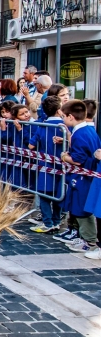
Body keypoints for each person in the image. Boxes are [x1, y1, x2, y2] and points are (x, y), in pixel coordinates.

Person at [60, 100, 101, 254]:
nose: (63, 119)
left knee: (80, 208)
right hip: (88, 174)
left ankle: (89, 240)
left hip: (83, 175)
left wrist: (64, 156)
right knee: (81, 207)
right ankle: (85, 238)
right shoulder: (89, 130)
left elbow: (78, 159)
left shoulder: (80, 134)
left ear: (71, 117)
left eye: (64, 116)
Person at [28, 97, 65, 234]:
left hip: (45, 165)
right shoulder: (65, 126)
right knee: (58, 194)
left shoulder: (42, 126)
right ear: (59, 109)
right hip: (62, 165)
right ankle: (56, 221)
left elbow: (31, 145)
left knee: (44, 194)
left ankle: (47, 222)